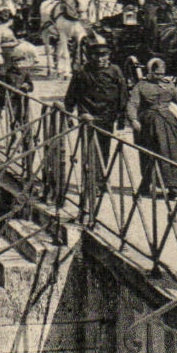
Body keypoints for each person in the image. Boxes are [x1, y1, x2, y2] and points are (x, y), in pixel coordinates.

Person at [62, 37, 130, 224]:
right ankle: (90, 184)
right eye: (97, 56)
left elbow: (123, 96)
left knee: (105, 153)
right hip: (88, 119)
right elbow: (72, 95)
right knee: (89, 151)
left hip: (107, 118)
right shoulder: (82, 73)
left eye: (104, 55)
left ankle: (99, 182)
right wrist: (69, 113)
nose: (101, 59)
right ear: (90, 56)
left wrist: (122, 122)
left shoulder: (115, 71)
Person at [128, 56, 177, 198]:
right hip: (150, 123)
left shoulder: (169, 85)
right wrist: (133, 119)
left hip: (170, 122)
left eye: (162, 74)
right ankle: (148, 183)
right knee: (153, 152)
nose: (159, 76)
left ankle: (176, 185)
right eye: (157, 74)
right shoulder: (141, 86)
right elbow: (133, 103)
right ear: (150, 72)